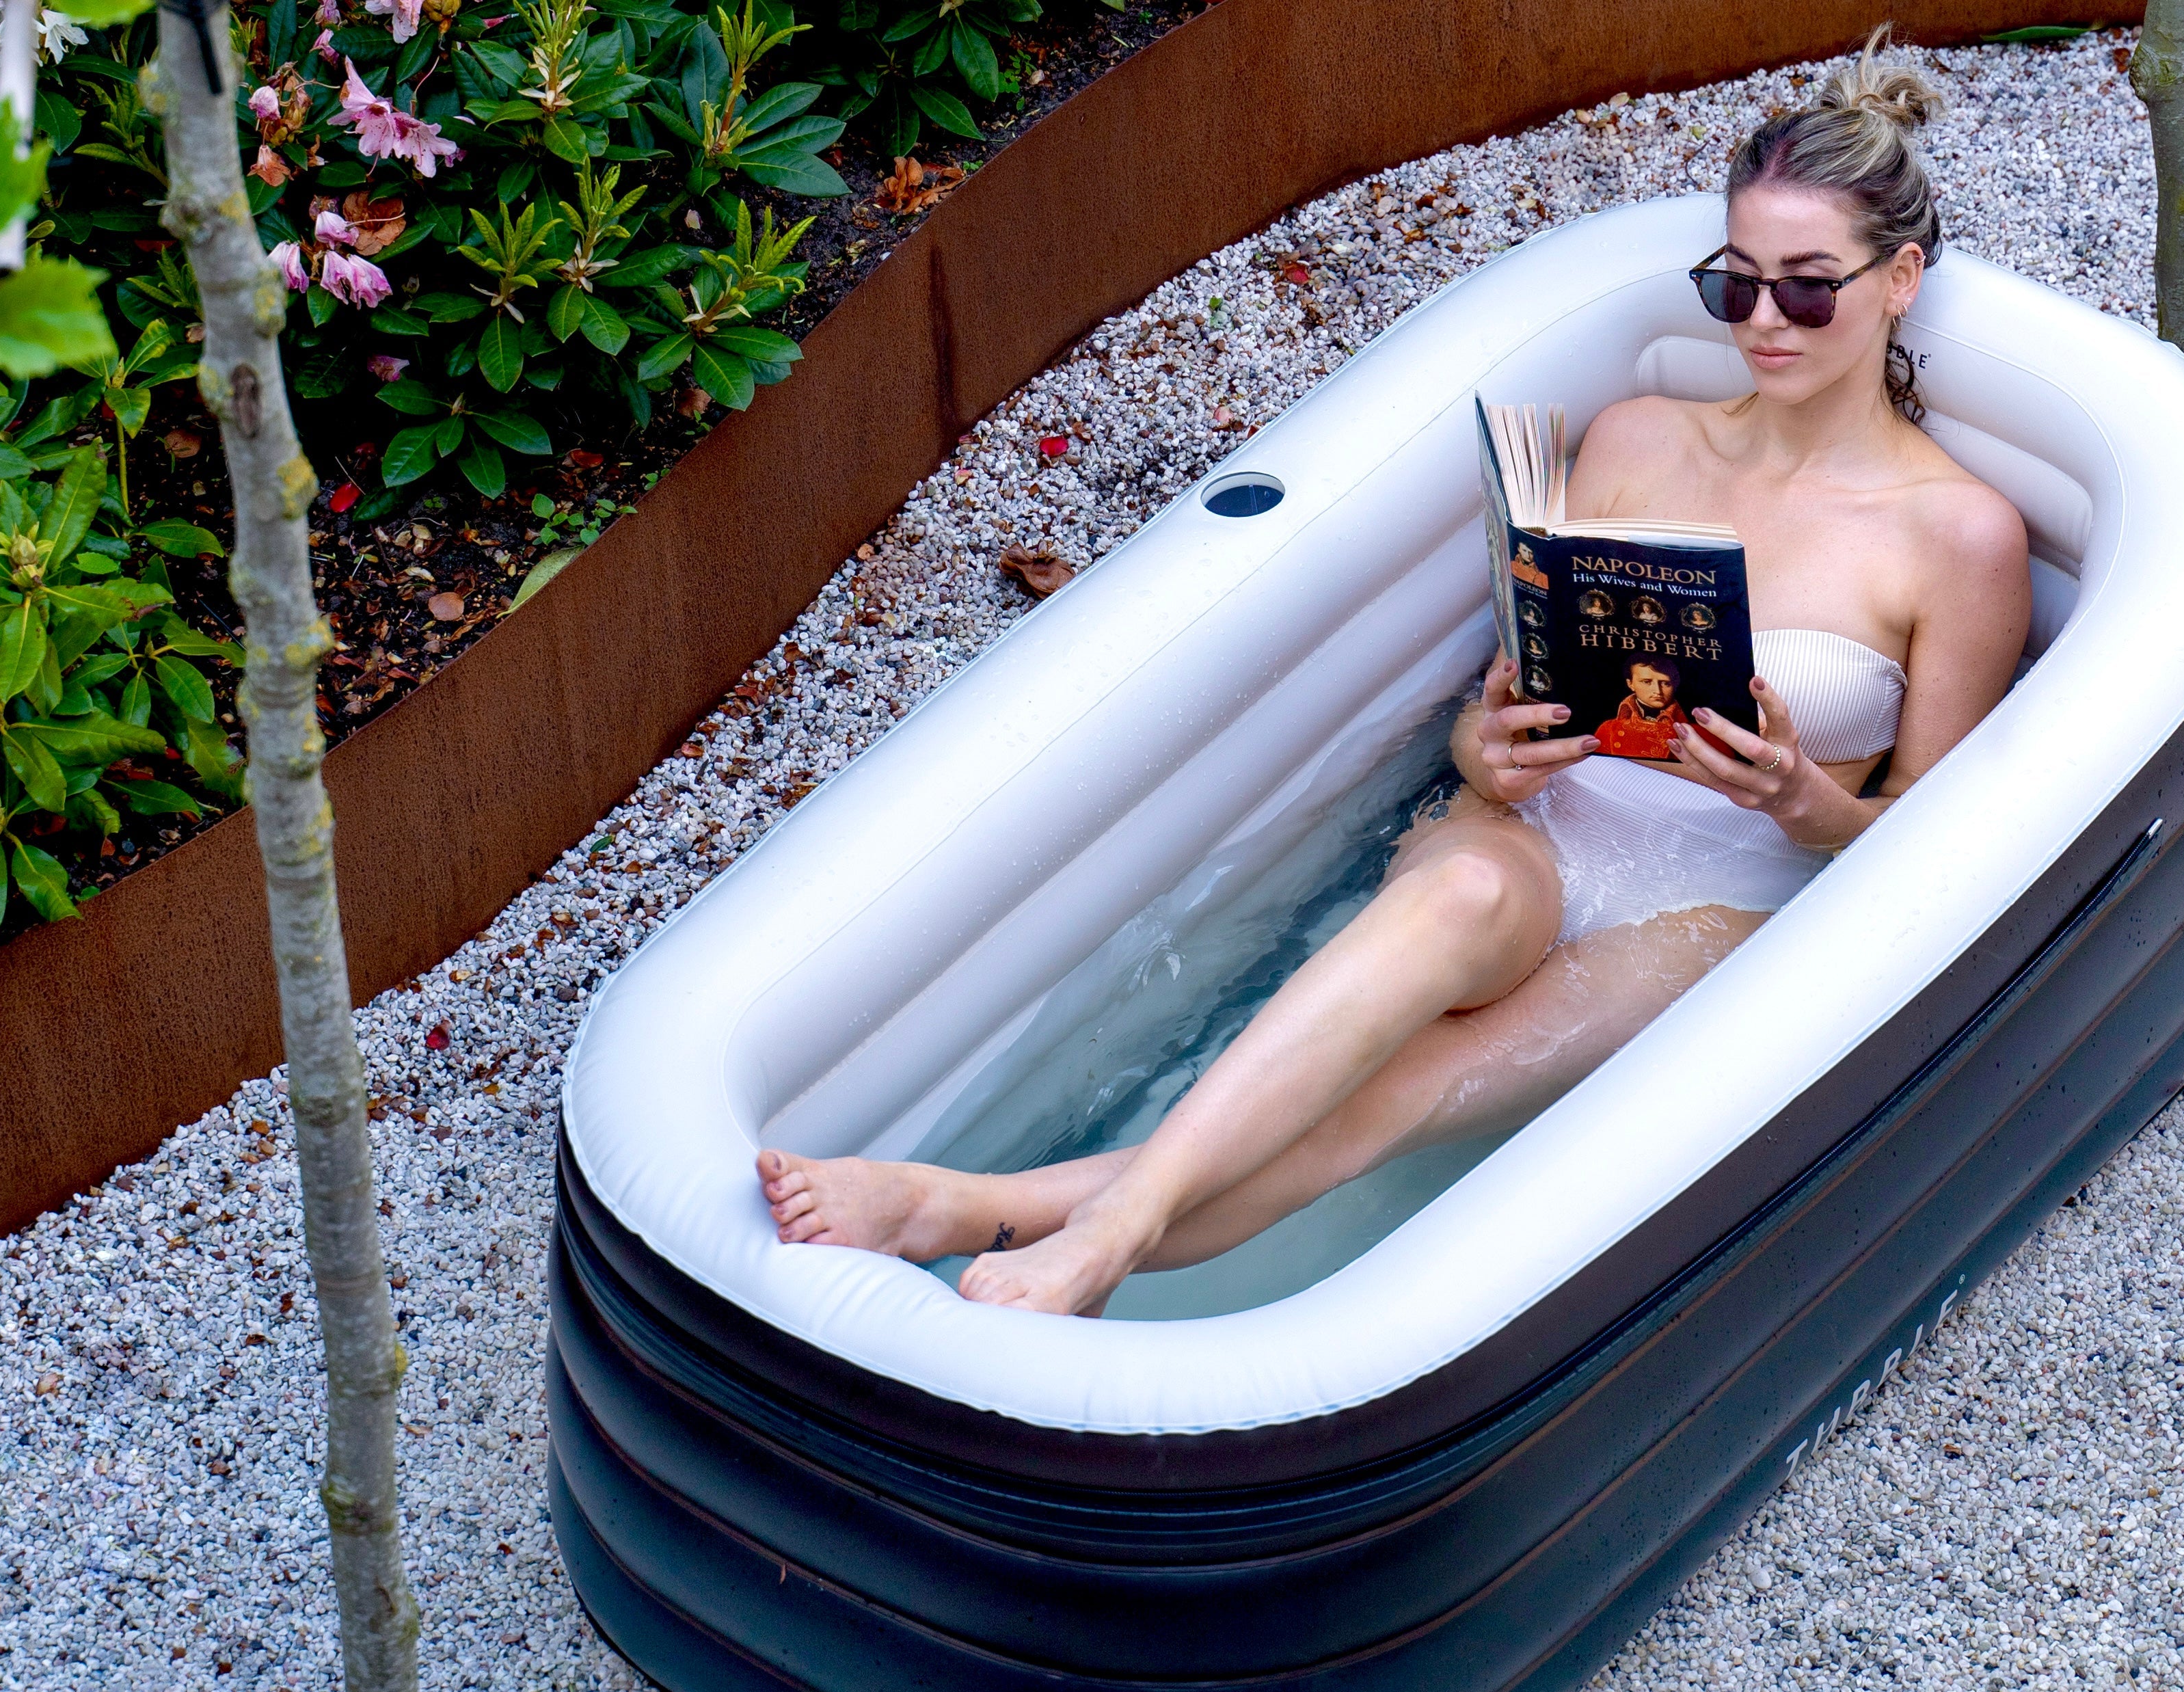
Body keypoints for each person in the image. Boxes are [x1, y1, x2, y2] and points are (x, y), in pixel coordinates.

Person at [755, 28, 2032, 1316]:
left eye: (1808, 289)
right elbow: (1510, 699)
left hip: (1719, 896)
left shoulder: (1961, 537)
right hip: (1543, 825)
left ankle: (987, 1209)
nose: (1765, 321)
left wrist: (1798, 794)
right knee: (1454, 901)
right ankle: (1073, 1226)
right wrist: (1489, 753)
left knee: (1392, 1097)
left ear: (1900, 278)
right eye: (1735, 285)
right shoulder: (1640, 439)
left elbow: (1933, 847)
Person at [1593, 656, 1685, 760]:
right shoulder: (1609, 730)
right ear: (1630, 684)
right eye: (1647, 682)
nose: (1658, 691)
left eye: (1665, 683)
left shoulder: (1690, 732)